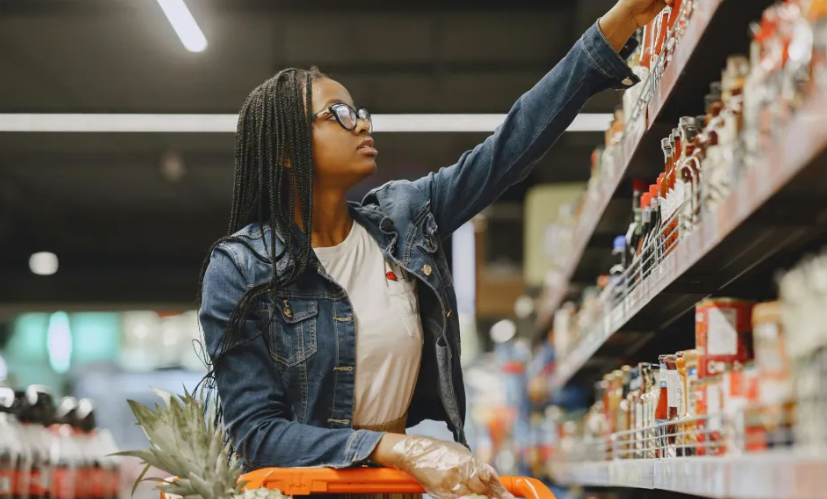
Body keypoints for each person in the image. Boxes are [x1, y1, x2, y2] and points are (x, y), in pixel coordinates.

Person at [198, 1, 671, 498]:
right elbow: (257, 433)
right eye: (338, 114)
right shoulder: (240, 269)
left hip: (398, 489)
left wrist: (616, 26)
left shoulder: (402, 221)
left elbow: (508, 148)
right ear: (285, 150)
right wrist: (400, 450)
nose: (361, 124)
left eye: (360, 112)